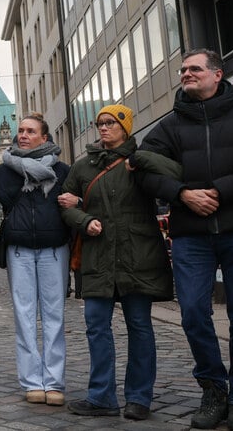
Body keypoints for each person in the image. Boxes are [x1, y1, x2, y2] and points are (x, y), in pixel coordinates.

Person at [139, 49, 233, 431]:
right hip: (191, 235)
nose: (185, 74)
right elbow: (143, 169)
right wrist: (183, 194)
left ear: (217, 74)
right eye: (182, 70)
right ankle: (213, 389)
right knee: (192, 313)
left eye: (194, 69)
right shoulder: (169, 126)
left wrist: (219, 192)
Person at [59, 104, 180, 421]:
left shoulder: (139, 162)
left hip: (136, 256)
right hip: (98, 258)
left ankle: (139, 398)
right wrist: (83, 220)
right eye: (99, 123)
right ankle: (101, 397)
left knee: (139, 327)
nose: (103, 128)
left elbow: (175, 175)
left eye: (110, 122)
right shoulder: (84, 167)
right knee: (97, 327)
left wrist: (138, 160)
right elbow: (65, 202)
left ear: (125, 126)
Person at [0, 113, 70, 406]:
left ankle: (54, 381)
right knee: (24, 316)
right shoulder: (4, 172)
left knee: (54, 316)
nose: (23, 135)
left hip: (54, 248)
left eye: (30, 131)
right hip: (19, 250)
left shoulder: (62, 171)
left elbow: (78, 200)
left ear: (45, 138)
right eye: (20, 131)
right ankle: (31, 381)